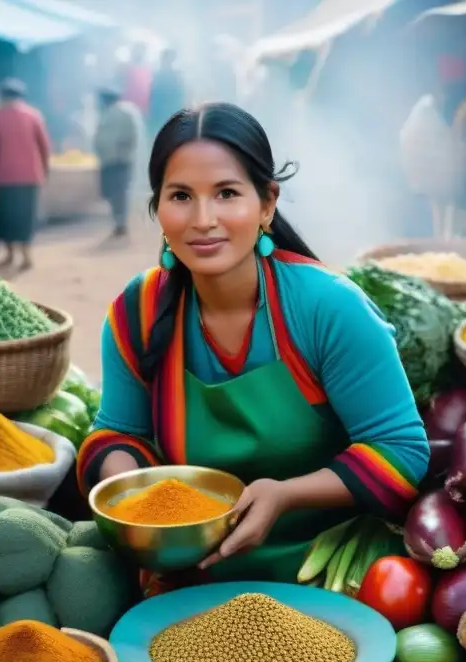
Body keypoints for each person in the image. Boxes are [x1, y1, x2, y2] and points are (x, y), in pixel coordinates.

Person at [77, 103, 429, 596]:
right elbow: (115, 432)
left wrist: (283, 496)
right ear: (158, 208)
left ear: (267, 203)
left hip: (323, 574)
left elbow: (402, 452)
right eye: (181, 195)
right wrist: (134, 499)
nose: (203, 219)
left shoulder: (327, 308)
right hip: (186, 573)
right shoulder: (137, 313)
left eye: (226, 193)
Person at [0, 78, 51, 272]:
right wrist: (44, 170)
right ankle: (27, 255)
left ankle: (10, 254)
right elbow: (45, 147)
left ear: (2, 96)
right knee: (26, 216)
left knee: (6, 216)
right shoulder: (34, 116)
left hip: (4, 177)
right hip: (30, 176)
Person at [94, 87, 143, 239]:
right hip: (110, 159)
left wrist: (123, 149)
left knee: (119, 192)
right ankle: (119, 221)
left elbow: (132, 135)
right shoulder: (108, 112)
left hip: (120, 158)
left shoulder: (125, 111)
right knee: (113, 192)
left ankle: (121, 223)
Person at [148, 49, 187, 141]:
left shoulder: (177, 76)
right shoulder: (158, 74)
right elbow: (153, 95)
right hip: (158, 112)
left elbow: (181, 94)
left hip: (172, 111)